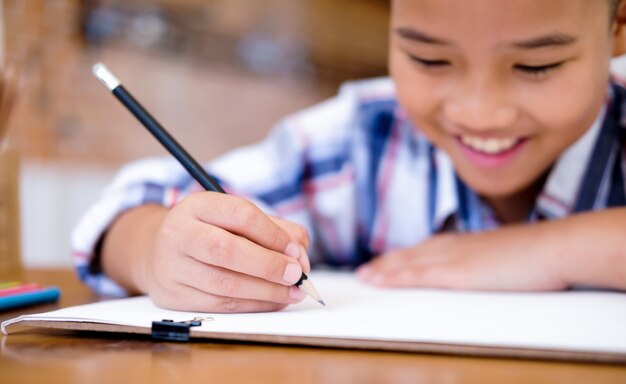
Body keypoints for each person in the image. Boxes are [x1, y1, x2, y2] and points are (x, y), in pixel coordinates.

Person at [73, 0, 626, 312]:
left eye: (536, 67)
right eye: (430, 59)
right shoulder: (365, 138)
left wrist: (554, 249)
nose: (480, 112)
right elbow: (130, 204)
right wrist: (157, 252)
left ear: (618, 26)